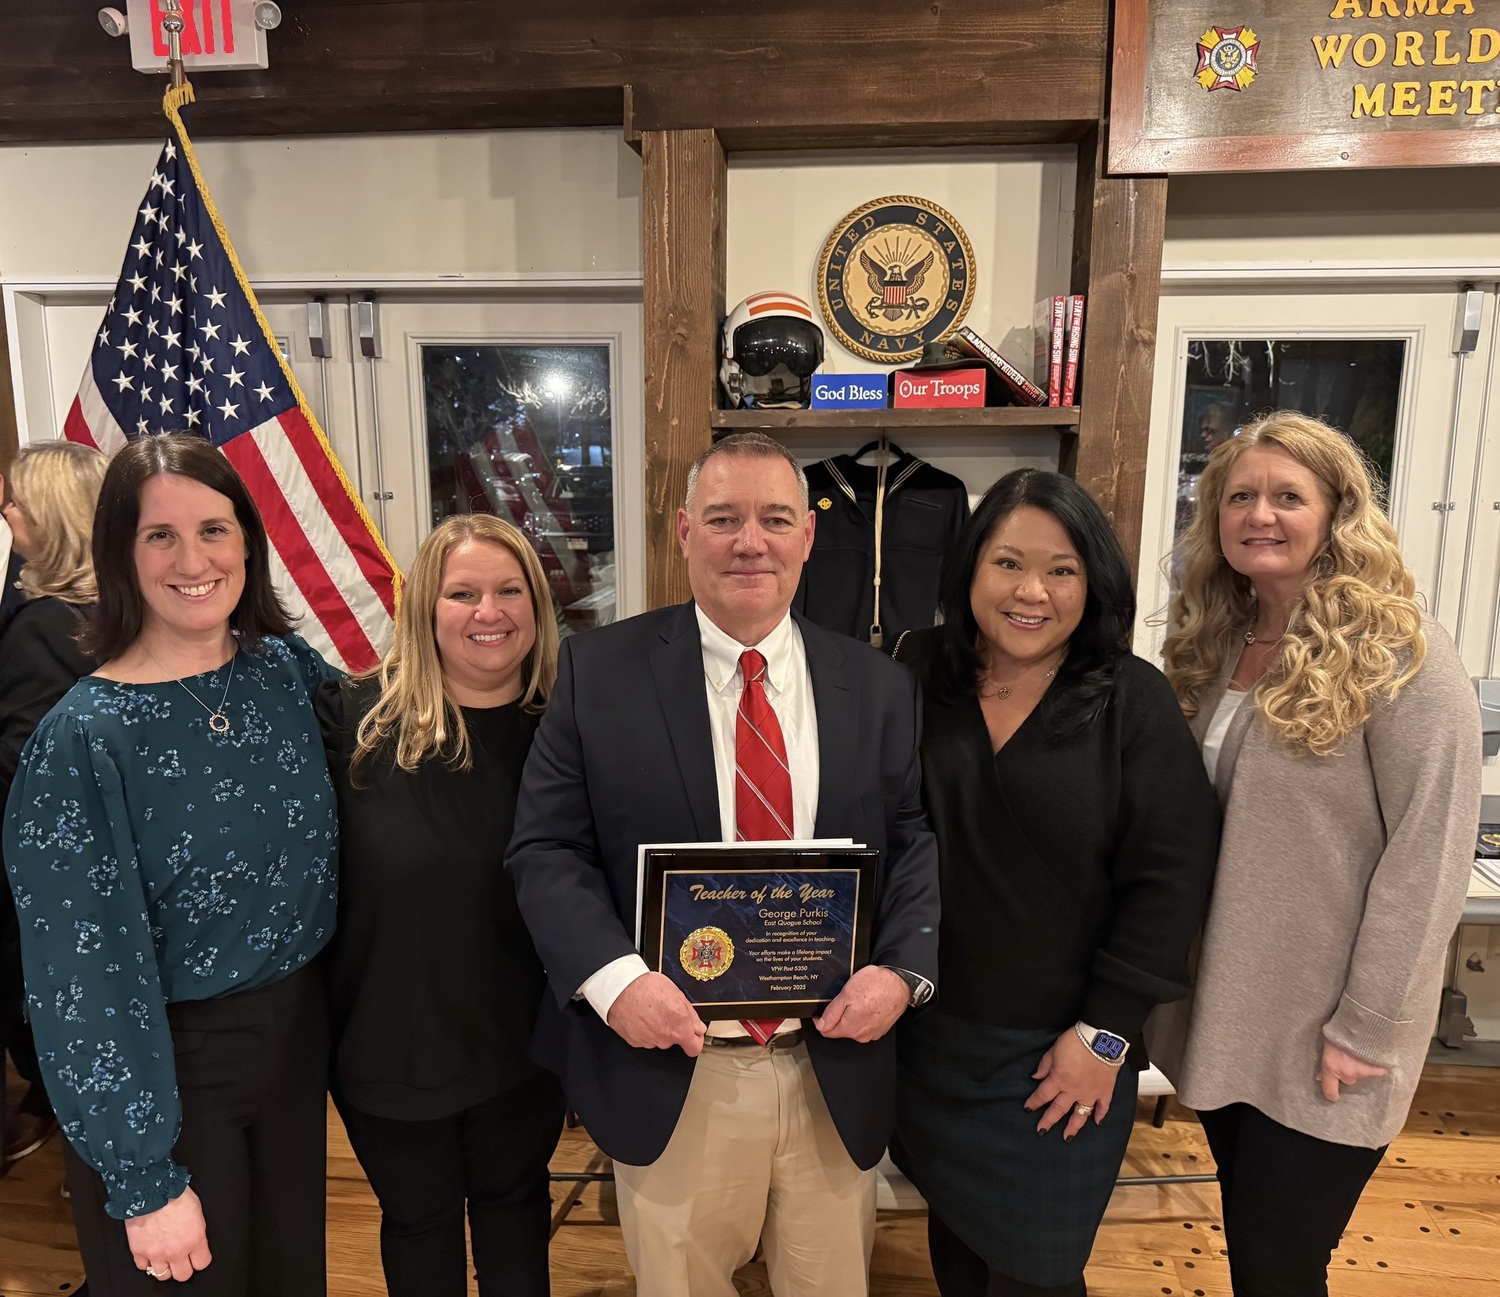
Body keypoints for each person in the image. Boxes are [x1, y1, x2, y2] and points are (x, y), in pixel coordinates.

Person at [506, 431, 940, 1297]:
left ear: (808, 537)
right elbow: (546, 847)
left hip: (832, 1066)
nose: (751, 541)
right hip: (676, 1068)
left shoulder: (880, 683)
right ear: (683, 531)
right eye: (724, 518)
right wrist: (614, 980)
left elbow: (912, 835)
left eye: (776, 518)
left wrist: (903, 969)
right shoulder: (600, 670)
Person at [3, 433, 341, 1293]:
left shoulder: (282, 673)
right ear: (120, 550)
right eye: (160, 535)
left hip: (296, 1048)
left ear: (248, 542)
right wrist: (141, 1173)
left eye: (215, 530)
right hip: (168, 1068)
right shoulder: (83, 738)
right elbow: (78, 973)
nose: (193, 559)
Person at [1158, 411, 1482, 1297]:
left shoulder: (1403, 657)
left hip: (1329, 1029)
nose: (1261, 513)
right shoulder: (1213, 646)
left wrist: (1367, 1026)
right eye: (1241, 496)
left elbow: (1429, 862)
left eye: (1288, 496)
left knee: (1279, 1265)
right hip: (1228, 1009)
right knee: (1256, 1247)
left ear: (1338, 511)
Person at [889, 469, 1219, 1297]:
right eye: (1007, 563)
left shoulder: (1130, 699)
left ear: (1093, 581)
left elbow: (1171, 880)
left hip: (1061, 1056)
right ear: (969, 570)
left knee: (1037, 1270)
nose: (1031, 591)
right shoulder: (916, 671)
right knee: (958, 1250)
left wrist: (1104, 1035)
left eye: (1062, 569)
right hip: (928, 1042)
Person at [315, 514, 565, 1296]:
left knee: (516, 1211)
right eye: (462, 592)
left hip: (526, 1046)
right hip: (392, 1048)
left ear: (538, 604)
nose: (488, 611)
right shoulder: (351, 722)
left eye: (507, 590)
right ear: (425, 606)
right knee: (419, 1225)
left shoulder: (569, 728)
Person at [0, 442, 107, 1172]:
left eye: (15, 502)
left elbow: (26, 768)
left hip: (46, 873)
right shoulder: (112, 610)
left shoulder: (44, 627)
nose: (5, 512)